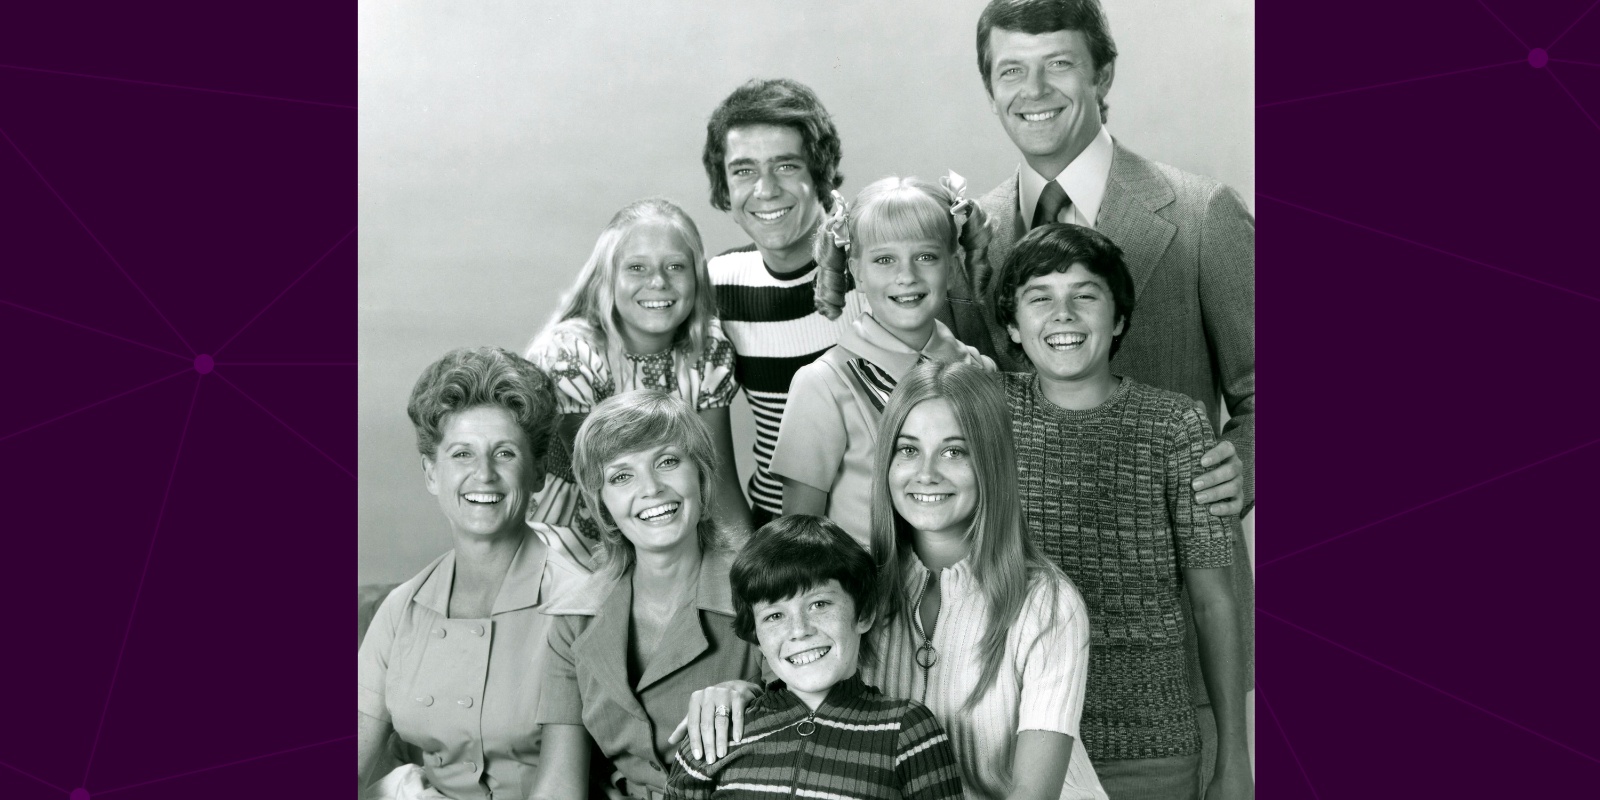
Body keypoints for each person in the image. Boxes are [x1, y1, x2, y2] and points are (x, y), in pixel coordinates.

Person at [968, 1, 1257, 784]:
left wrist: (1236, 469)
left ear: (1102, 75)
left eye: (1058, 65)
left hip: (1175, 665)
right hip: (1015, 675)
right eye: (1011, 70)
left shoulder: (1200, 213)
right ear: (990, 88)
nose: (1034, 90)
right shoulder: (972, 235)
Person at [993, 223, 1251, 799]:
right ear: (1012, 325)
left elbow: (1213, 601)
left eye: (1085, 295)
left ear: (1118, 319)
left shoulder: (1175, 426)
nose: (1063, 314)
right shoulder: (988, 412)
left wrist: (1234, 758)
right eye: (1039, 298)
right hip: (1013, 738)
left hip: (1149, 745)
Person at [357, 347, 591, 800]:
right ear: (431, 473)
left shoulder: (576, 604)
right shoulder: (400, 611)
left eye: (504, 453)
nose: (483, 474)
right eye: (462, 454)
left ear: (538, 472)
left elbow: (563, 790)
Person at [531, 391, 766, 800]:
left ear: (702, 478)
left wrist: (760, 702)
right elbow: (559, 786)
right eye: (622, 476)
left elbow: (818, 746)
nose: (651, 489)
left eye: (667, 462)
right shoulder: (574, 618)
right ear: (602, 504)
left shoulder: (765, 594)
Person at [666, 514, 964, 799]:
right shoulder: (715, 736)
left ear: (863, 614)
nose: (799, 630)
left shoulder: (907, 729)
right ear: (756, 637)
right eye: (774, 616)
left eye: (819, 604)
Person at [769, 175, 995, 546]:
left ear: (952, 267)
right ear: (856, 271)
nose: (906, 276)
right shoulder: (823, 384)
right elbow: (801, 538)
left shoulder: (978, 370)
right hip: (865, 579)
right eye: (885, 259)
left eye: (925, 257)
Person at [525, 198, 752, 562]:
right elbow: (603, 491)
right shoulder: (570, 355)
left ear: (697, 277)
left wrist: (748, 572)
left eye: (675, 266)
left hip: (665, 525)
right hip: (571, 536)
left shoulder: (706, 349)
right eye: (637, 268)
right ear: (608, 278)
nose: (658, 281)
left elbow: (721, 487)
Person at [700, 79, 867, 528]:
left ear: (820, 173)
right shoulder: (718, 285)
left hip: (880, 540)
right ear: (725, 185)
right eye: (744, 170)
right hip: (774, 536)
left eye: (786, 165)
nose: (766, 189)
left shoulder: (877, 270)